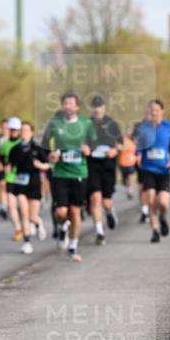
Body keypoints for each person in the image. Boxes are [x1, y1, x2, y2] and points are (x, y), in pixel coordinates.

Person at [42, 91, 95, 263]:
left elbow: (94, 143)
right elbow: (44, 146)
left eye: (71, 103)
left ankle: (73, 245)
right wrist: (50, 156)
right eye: (65, 103)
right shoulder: (54, 123)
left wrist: (89, 150)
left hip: (79, 173)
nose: (68, 106)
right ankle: (62, 225)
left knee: (75, 211)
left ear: (77, 107)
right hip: (60, 173)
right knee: (61, 211)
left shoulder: (86, 123)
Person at [136, 99, 170, 244]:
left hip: (164, 169)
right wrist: (138, 154)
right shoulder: (144, 127)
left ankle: (163, 217)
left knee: (163, 203)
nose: (153, 113)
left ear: (162, 111)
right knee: (150, 199)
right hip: (148, 168)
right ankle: (155, 231)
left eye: (156, 110)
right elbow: (140, 145)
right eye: (151, 110)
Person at [6, 121, 50, 254]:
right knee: (24, 212)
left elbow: (47, 165)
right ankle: (27, 242)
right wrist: (7, 170)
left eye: (26, 130)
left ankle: (38, 223)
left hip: (34, 182)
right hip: (20, 182)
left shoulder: (38, 148)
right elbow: (10, 165)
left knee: (32, 216)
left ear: (31, 132)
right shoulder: (15, 149)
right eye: (22, 130)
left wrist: (40, 165)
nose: (24, 132)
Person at [87, 95, 122, 246]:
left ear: (104, 107)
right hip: (92, 163)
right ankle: (100, 233)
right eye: (94, 106)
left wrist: (115, 150)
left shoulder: (112, 123)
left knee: (106, 201)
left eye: (99, 106)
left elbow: (120, 144)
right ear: (92, 108)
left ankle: (109, 212)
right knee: (95, 198)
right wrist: (84, 148)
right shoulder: (86, 123)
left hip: (108, 164)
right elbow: (80, 142)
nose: (97, 109)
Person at [0, 117, 24, 241]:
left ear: (19, 130)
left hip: (23, 178)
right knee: (11, 205)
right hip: (10, 177)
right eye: (11, 129)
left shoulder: (23, 143)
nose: (13, 131)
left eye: (16, 129)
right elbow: (2, 159)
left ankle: (28, 225)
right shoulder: (4, 144)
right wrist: (3, 166)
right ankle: (18, 229)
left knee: (23, 207)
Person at [118, 133, 138, 198]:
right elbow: (119, 150)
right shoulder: (122, 141)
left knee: (129, 176)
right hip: (123, 162)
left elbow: (136, 151)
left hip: (131, 162)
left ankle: (130, 190)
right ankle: (127, 187)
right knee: (125, 177)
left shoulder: (133, 142)